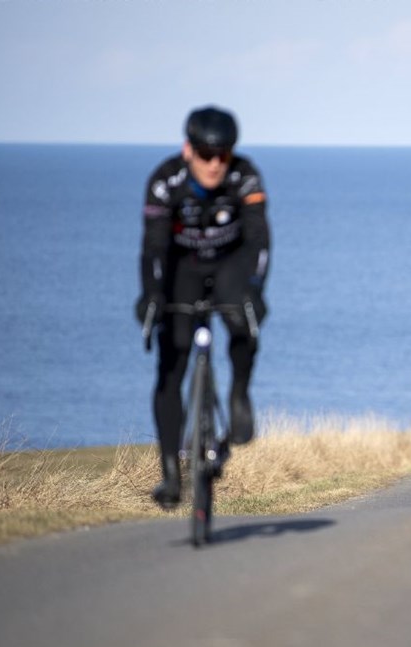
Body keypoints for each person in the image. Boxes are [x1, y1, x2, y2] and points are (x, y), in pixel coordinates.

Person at [136, 105, 271, 509]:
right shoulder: (165, 181)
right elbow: (153, 249)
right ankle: (170, 475)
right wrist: (151, 295)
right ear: (188, 149)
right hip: (182, 269)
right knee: (170, 365)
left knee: (246, 320)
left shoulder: (245, 176)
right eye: (205, 154)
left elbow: (259, 242)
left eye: (223, 155)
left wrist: (254, 288)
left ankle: (239, 395)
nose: (214, 164)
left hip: (230, 265)